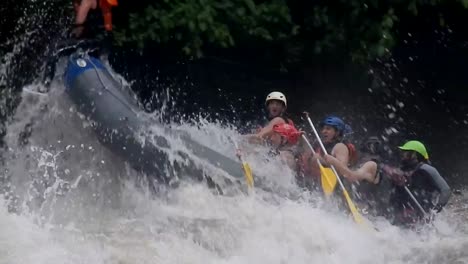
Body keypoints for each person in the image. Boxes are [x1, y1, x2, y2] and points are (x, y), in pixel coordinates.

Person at [325, 139, 451, 227]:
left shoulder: (426, 169)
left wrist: (434, 211)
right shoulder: (399, 171)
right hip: (400, 218)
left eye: (406, 153)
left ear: (415, 155)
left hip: (420, 216)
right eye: (402, 152)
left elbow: (446, 191)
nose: (402, 155)